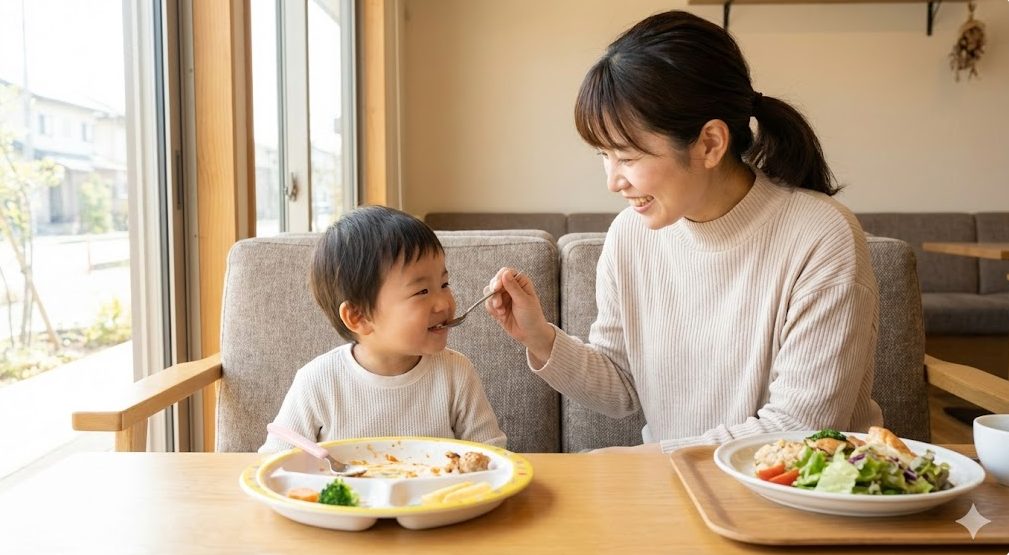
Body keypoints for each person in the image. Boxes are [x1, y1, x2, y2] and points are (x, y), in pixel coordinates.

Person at [484, 10, 883, 453]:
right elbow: (621, 387)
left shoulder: (821, 236)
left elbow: (800, 426)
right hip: (679, 489)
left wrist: (636, 463)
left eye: (629, 157)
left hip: (802, 499)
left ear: (710, 143)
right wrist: (538, 335)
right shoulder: (630, 237)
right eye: (604, 155)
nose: (613, 182)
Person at [260, 206, 506, 453]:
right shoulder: (317, 382)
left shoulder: (456, 373)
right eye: (422, 291)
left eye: (444, 284)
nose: (444, 303)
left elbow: (493, 455)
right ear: (359, 317)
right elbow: (275, 461)